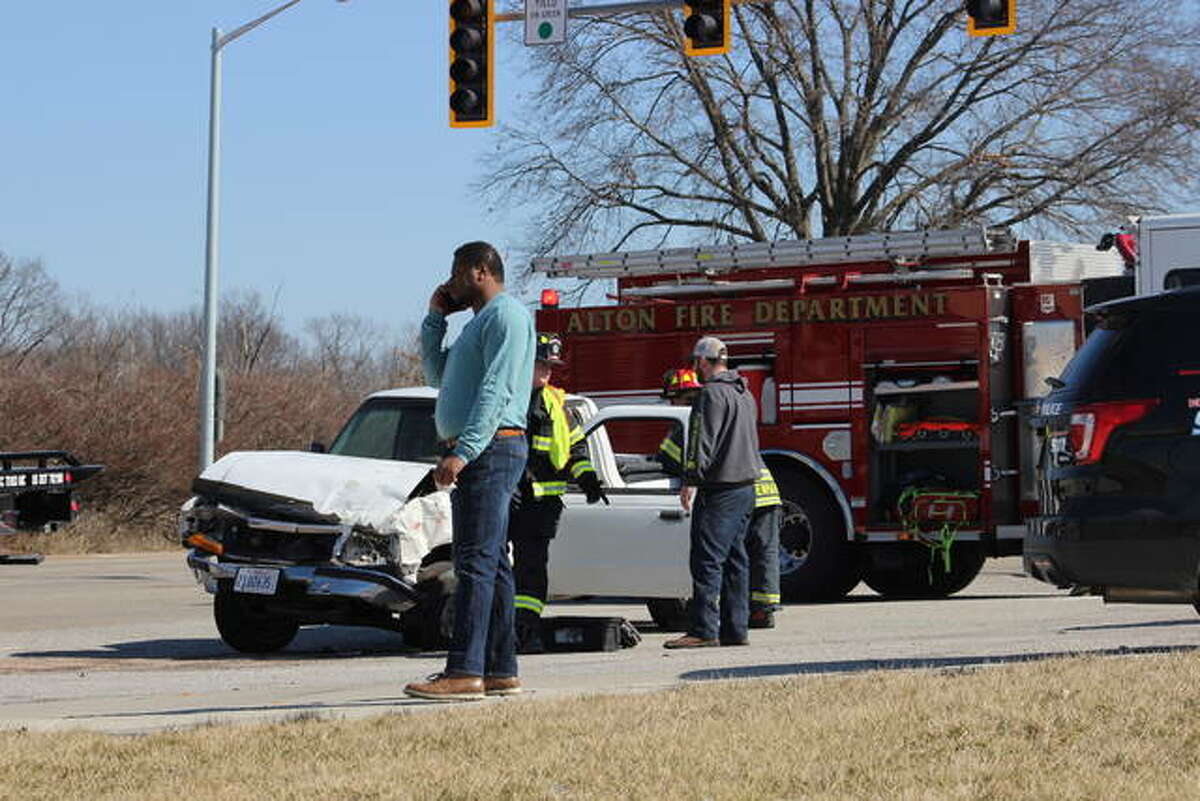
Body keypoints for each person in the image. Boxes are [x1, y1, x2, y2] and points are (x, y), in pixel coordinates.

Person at [404, 241, 536, 702]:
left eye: (457, 273)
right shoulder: (478, 324)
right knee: (492, 563)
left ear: (481, 271)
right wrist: (435, 318)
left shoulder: (506, 316)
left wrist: (464, 451)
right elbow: (438, 377)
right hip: (485, 448)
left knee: (475, 563)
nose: (450, 282)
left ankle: (464, 671)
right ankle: (501, 669)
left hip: (491, 449)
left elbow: (497, 391)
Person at [658, 367, 782, 630]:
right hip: (764, 491)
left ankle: (711, 624)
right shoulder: (734, 401)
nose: (671, 404)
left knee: (716, 557)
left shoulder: (697, 415)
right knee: (757, 553)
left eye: (673, 398)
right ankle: (762, 610)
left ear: (685, 396)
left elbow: (669, 458)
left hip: (732, 490)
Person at [509, 333, 608, 653]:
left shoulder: (557, 403)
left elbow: (575, 445)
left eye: (551, 365)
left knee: (532, 567)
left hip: (542, 504)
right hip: (508, 498)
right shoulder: (505, 398)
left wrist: (588, 476)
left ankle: (525, 628)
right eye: (541, 364)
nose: (548, 371)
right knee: (494, 564)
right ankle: (497, 625)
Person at [665, 337, 763, 649]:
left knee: (707, 560)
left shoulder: (710, 394)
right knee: (736, 560)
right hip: (746, 488)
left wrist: (690, 479)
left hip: (720, 490)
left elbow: (700, 440)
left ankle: (703, 630)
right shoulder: (744, 393)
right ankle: (736, 630)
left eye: (695, 361)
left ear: (701, 362)